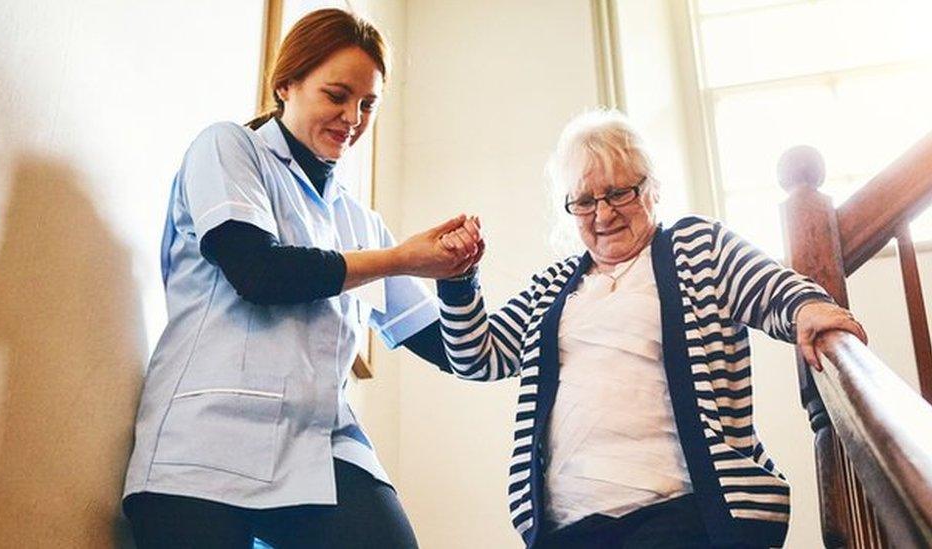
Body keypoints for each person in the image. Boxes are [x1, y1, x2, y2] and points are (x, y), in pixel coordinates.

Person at [121, 9, 479, 548]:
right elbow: (258, 270)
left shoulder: (360, 222)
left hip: (319, 445)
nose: (353, 118)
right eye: (337, 95)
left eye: (368, 104)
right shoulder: (228, 149)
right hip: (205, 442)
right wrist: (402, 259)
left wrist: (456, 276)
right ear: (286, 84)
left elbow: (453, 350)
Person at [431, 109, 867, 548]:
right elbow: (476, 356)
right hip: (568, 528)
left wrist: (807, 307)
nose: (603, 213)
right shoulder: (552, 286)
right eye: (584, 201)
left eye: (619, 193)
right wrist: (458, 280)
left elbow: (769, 287)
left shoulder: (696, 247)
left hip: (685, 513)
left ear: (652, 189)